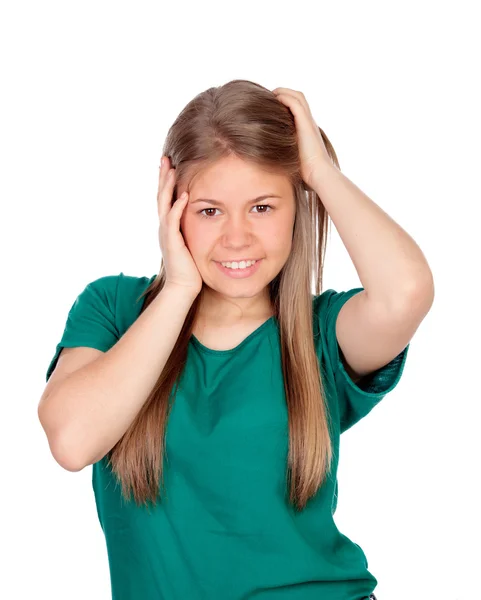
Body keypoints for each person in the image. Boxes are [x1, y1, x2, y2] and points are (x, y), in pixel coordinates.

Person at [38, 80, 434, 600]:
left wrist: (318, 172)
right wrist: (180, 288)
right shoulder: (115, 310)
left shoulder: (320, 333)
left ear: (297, 208)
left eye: (263, 207)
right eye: (209, 211)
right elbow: (72, 441)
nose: (237, 238)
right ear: (171, 207)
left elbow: (405, 293)